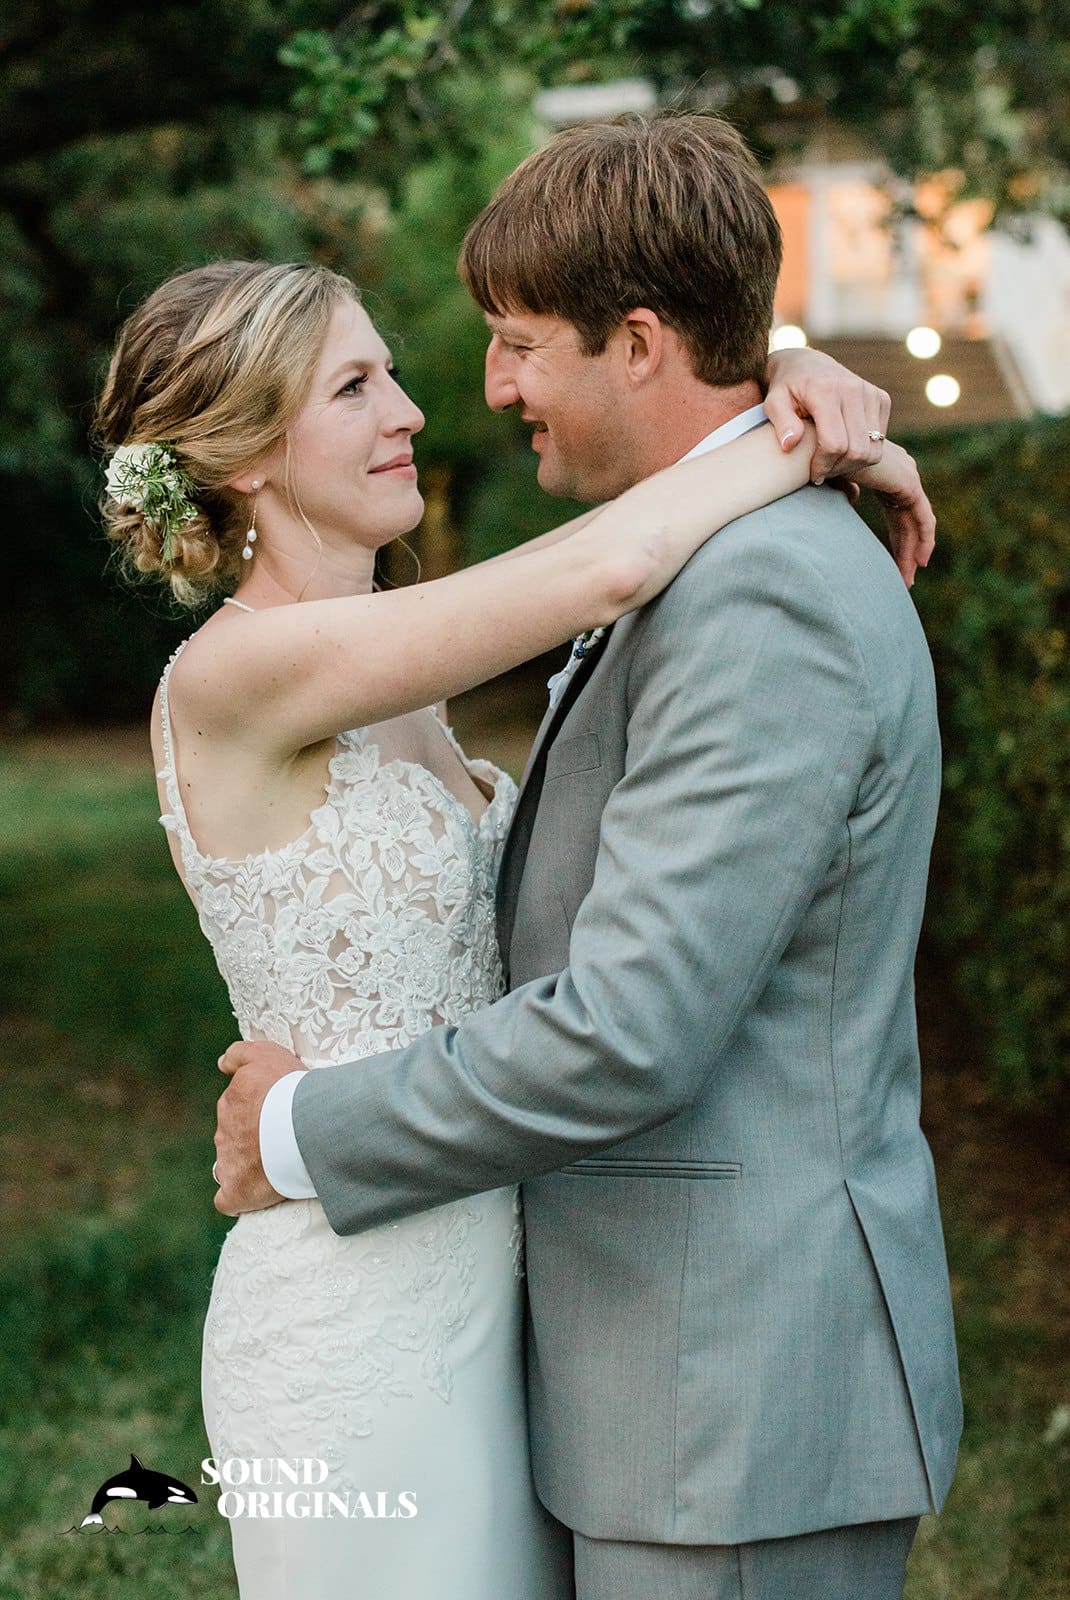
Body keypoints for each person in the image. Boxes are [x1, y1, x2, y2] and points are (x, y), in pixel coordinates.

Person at [215, 112, 961, 1600]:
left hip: (728, 1396)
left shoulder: (758, 595)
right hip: (640, 1373)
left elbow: (631, 1027)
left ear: (637, 344)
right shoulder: (714, 549)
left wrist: (301, 1130)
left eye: (518, 345)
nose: (486, 391)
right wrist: (787, 388)